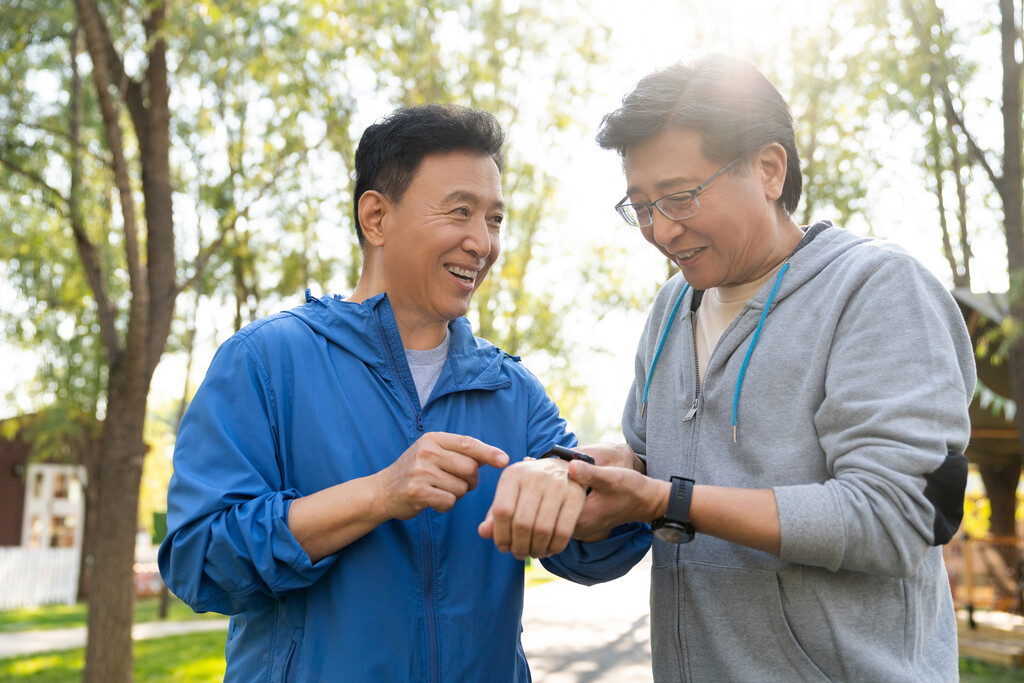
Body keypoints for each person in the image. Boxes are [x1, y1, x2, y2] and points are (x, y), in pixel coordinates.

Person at [497, 54, 975, 681]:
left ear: (769, 169)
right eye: (640, 205)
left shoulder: (877, 290)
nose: (660, 231)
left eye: (680, 197)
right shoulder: (671, 308)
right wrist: (613, 469)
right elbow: (654, 466)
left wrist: (668, 499)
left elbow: (900, 514)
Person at [158, 104, 586, 682]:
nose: (482, 243)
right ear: (376, 217)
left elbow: (600, 549)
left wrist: (571, 480)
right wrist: (378, 495)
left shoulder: (513, 389)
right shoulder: (265, 360)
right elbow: (198, 561)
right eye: (460, 211)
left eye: (494, 219)